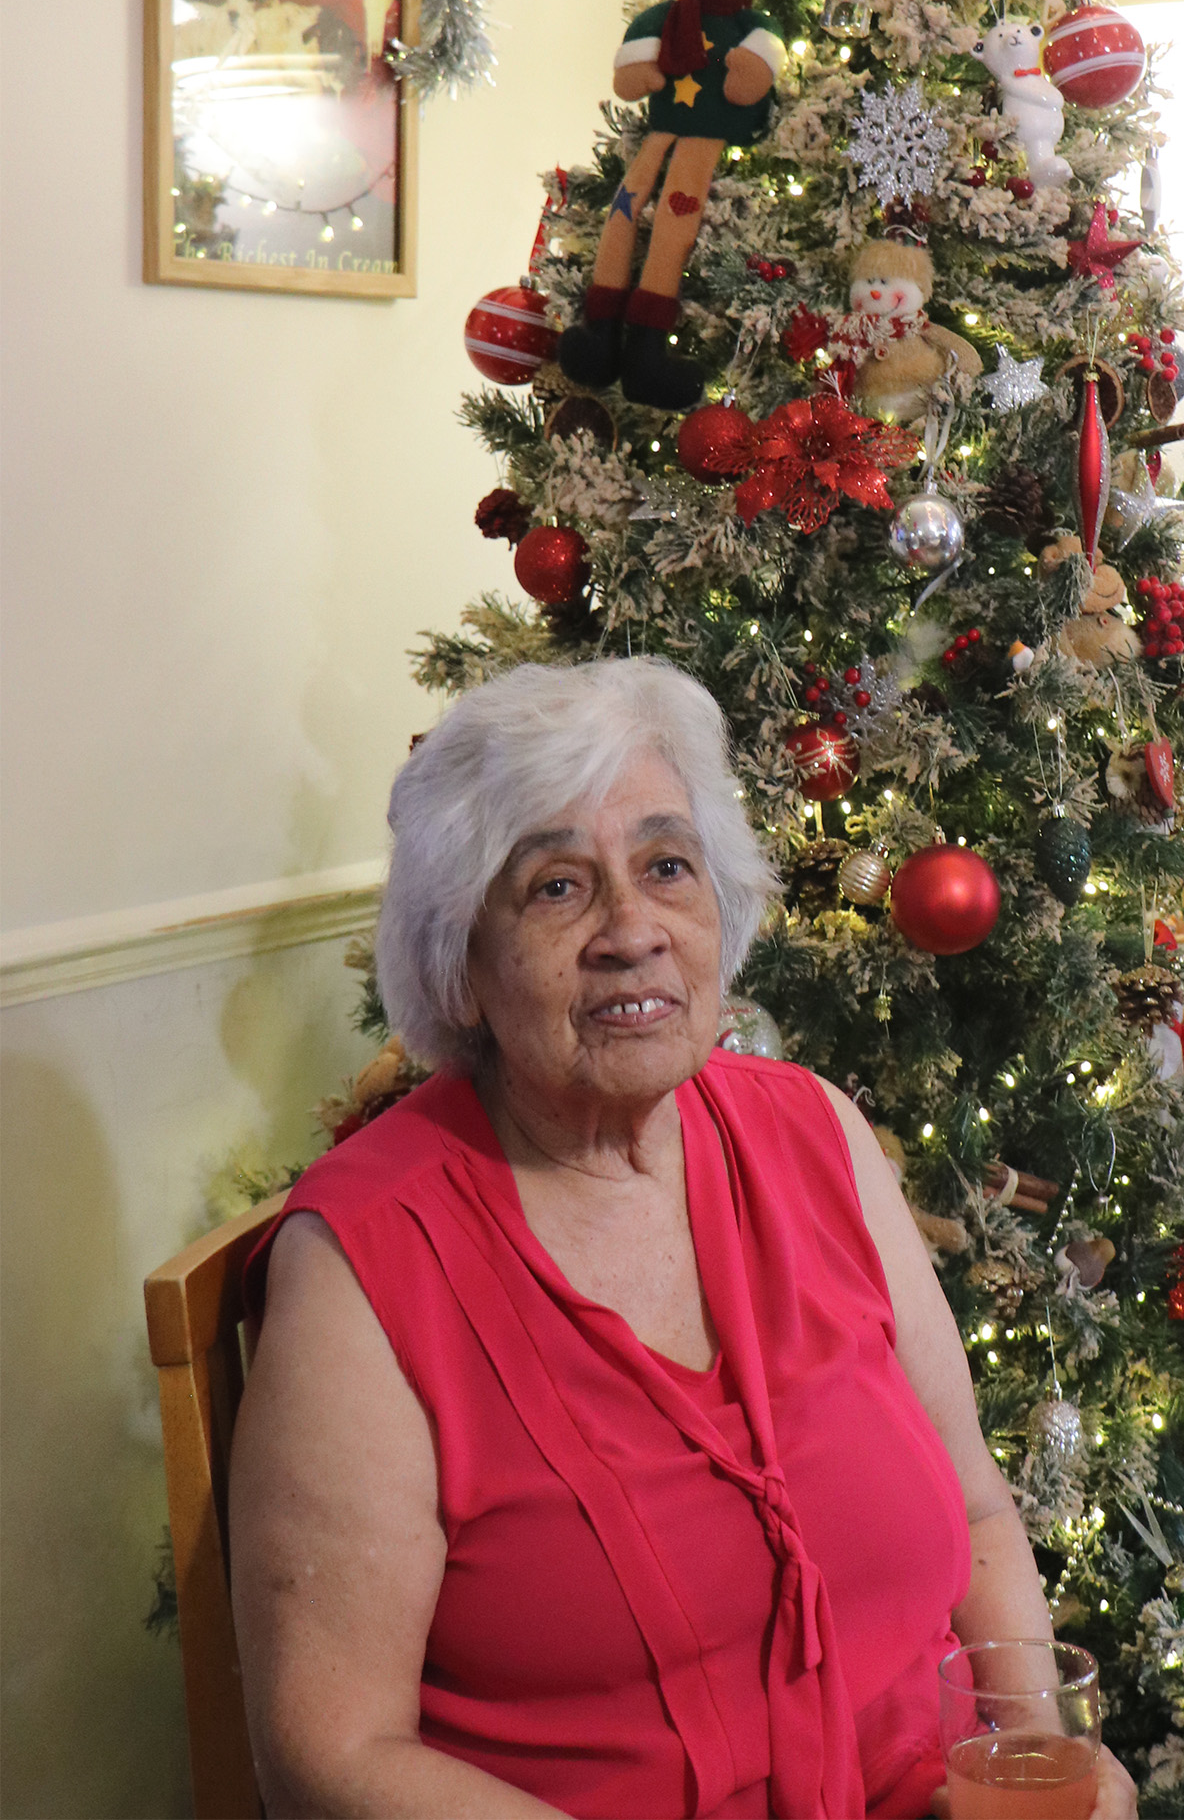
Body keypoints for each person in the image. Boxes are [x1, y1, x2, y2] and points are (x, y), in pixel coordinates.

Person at [231, 658, 1137, 1820]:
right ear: (459, 962)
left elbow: (973, 1507)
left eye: (667, 866)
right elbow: (331, 1750)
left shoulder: (818, 1133)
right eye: (557, 886)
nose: (631, 930)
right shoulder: (365, 1263)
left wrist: (1038, 1758)